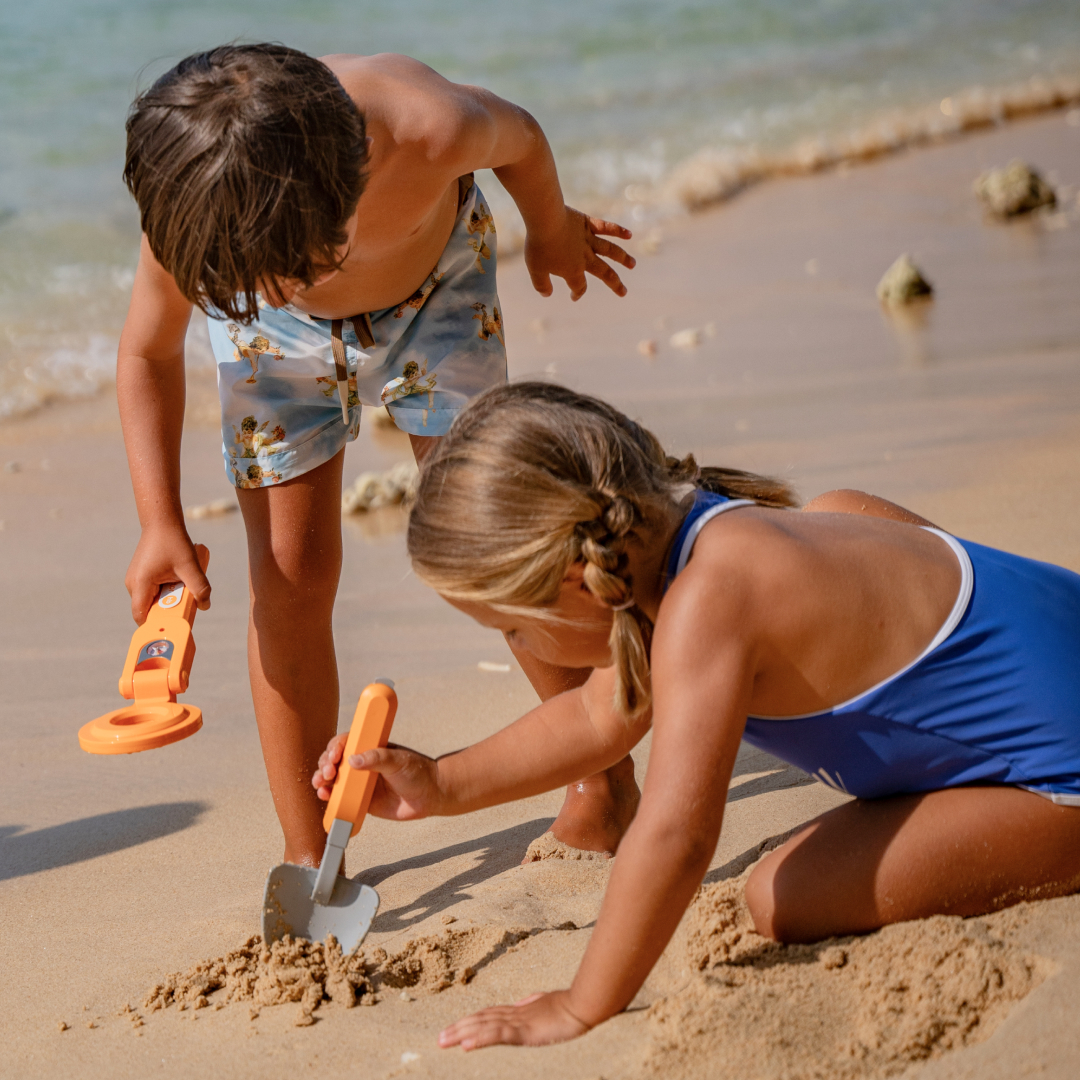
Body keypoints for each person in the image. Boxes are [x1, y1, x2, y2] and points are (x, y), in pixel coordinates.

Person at [313, 381, 1080, 1050]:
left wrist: (584, 1004)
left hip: (1063, 776)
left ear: (581, 582)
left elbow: (678, 835)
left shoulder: (707, 607)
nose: (517, 644)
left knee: (780, 897)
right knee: (842, 508)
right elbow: (597, 715)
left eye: (512, 627)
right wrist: (440, 784)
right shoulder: (704, 531)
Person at [116, 45, 637, 868]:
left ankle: (600, 778)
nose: (274, 286)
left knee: (496, 541)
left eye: (293, 271)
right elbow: (147, 354)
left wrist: (552, 228)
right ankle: (306, 849)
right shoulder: (201, 210)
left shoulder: (428, 127)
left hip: (436, 290)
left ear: (345, 193)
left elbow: (525, 140)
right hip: (273, 351)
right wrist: (159, 521)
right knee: (287, 578)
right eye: (236, 281)